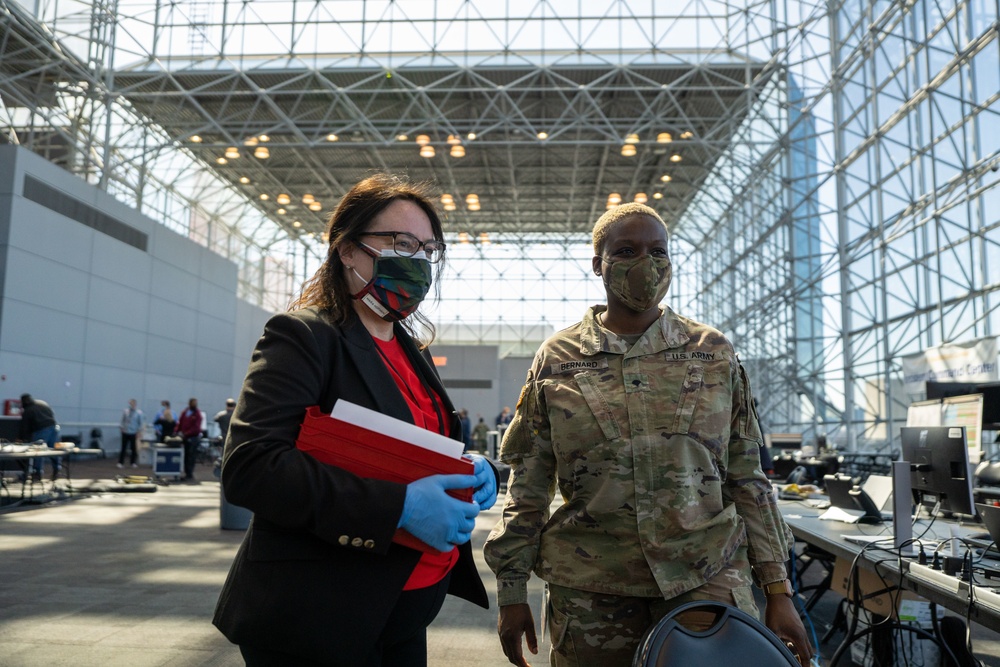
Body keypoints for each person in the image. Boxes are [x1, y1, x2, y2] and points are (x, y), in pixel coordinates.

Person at [483, 202, 812, 667]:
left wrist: (778, 589)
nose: (647, 263)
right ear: (598, 264)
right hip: (593, 586)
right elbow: (530, 486)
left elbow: (747, 477)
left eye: (659, 251)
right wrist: (511, 590)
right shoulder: (559, 358)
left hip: (704, 576)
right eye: (627, 250)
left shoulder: (711, 352)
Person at [213, 174, 499, 666]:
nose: (417, 261)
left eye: (428, 248)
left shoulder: (412, 349)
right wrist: (399, 508)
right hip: (320, 614)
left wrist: (470, 464)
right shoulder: (304, 336)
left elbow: (411, 443)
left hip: (402, 608)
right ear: (347, 250)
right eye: (401, 243)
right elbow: (251, 467)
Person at [18, 393, 60, 481]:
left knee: (38, 451)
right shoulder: (42, 403)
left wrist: (21, 438)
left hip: (41, 429)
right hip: (54, 427)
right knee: (54, 450)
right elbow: (52, 413)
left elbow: (24, 427)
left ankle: (37, 473)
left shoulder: (28, 410)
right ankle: (57, 469)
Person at [176, 398, 203, 481]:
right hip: (185, 437)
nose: (194, 404)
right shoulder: (185, 412)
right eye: (192, 403)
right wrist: (176, 431)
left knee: (191, 456)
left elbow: (196, 428)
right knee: (186, 456)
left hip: (193, 438)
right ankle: (186, 472)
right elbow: (180, 423)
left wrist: (186, 433)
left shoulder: (197, 414)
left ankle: (189, 474)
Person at [118, 398, 144, 469]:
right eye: (130, 403)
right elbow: (122, 420)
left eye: (132, 403)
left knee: (133, 448)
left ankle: (133, 462)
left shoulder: (139, 413)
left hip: (133, 432)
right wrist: (121, 428)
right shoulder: (126, 411)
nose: (131, 405)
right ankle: (120, 462)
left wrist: (139, 432)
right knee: (123, 448)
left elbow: (140, 423)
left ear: (135, 404)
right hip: (125, 431)